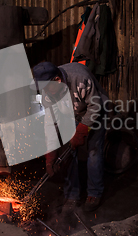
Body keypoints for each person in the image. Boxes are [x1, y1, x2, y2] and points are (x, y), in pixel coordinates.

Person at [32, 61, 109, 212]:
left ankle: (94, 193)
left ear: (57, 80)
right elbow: (51, 123)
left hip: (95, 109)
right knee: (69, 153)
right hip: (73, 113)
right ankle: (72, 195)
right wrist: (51, 155)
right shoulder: (49, 92)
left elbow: (95, 106)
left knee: (93, 152)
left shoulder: (80, 79)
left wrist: (82, 130)